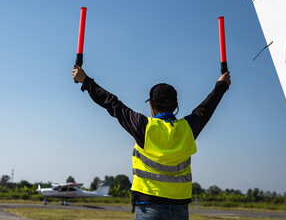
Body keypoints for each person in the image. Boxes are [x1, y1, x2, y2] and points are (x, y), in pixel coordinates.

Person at [72, 65, 231, 220]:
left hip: (149, 207)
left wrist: (86, 81)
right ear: (176, 105)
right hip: (180, 208)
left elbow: (112, 103)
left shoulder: (144, 127)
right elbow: (207, 107)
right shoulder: (187, 128)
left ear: (151, 105)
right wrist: (221, 85)